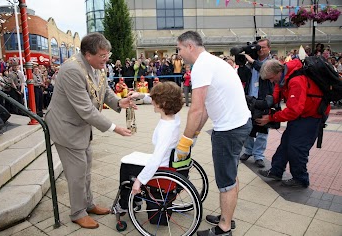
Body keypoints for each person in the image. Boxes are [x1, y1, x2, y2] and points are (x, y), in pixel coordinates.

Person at [44, 32, 136, 229]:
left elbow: (104, 90)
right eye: (103, 56)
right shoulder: (71, 70)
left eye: (107, 55)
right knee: (77, 172)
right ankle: (78, 212)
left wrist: (120, 102)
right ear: (88, 54)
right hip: (66, 127)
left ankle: (88, 204)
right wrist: (114, 128)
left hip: (81, 127)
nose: (106, 59)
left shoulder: (97, 66)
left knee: (85, 169)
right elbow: (86, 109)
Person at [176, 31, 251, 236]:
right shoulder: (212, 62)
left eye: (179, 49)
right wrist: (196, 132)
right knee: (231, 174)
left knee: (226, 180)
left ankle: (224, 228)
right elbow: (208, 107)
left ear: (190, 46)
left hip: (229, 130)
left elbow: (196, 109)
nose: (179, 54)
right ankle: (228, 216)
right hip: (239, 123)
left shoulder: (201, 66)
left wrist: (184, 141)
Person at [257, 59, 330, 188]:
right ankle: (276, 171)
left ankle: (301, 179)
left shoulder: (296, 80)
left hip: (311, 116)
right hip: (303, 115)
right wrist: (272, 99)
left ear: (278, 72)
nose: (271, 81)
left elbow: (293, 111)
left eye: (272, 78)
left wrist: (271, 118)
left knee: (297, 148)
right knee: (286, 143)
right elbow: (279, 88)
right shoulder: (288, 73)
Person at [114, 81, 183, 212]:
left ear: (163, 104)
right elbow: (162, 97)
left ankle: (126, 204)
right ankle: (135, 199)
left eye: (154, 99)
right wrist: (140, 95)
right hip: (168, 160)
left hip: (161, 165)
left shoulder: (165, 129)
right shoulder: (174, 117)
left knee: (126, 166)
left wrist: (139, 181)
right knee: (132, 159)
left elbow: (156, 160)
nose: (152, 101)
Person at [240, 38, 274, 168]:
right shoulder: (251, 61)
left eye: (263, 47)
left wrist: (251, 61)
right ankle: (248, 150)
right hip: (249, 98)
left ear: (269, 48)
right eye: (258, 47)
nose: (260, 50)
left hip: (263, 99)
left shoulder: (271, 62)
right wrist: (242, 63)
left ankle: (259, 155)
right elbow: (242, 76)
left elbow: (265, 71)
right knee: (248, 127)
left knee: (262, 129)